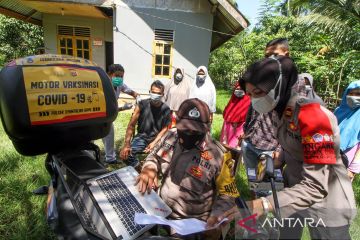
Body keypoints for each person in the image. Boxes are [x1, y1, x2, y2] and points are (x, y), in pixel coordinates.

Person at [210, 57, 356, 239]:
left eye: (258, 92)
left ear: (279, 86)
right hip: (292, 193)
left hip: (326, 200)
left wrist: (263, 204)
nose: (254, 100)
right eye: (250, 95)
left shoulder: (314, 118)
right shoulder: (279, 110)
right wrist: (275, 163)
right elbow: (290, 147)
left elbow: (317, 186)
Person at [136, 98, 239, 239]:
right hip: (160, 209)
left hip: (191, 224)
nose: (189, 133)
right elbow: (154, 157)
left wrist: (217, 218)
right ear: (176, 121)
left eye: (195, 130)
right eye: (185, 128)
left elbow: (229, 194)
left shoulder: (219, 156)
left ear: (207, 126)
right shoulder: (170, 137)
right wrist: (149, 168)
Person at [119, 80, 171, 168]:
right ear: (149, 92)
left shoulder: (166, 109)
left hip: (157, 139)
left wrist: (155, 142)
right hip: (142, 137)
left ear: (162, 94)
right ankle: (139, 168)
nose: (156, 95)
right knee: (125, 155)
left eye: (158, 93)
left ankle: (152, 169)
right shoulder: (142, 104)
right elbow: (131, 125)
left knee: (165, 157)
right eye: (153, 92)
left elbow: (165, 129)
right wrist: (127, 144)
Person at [102, 64, 140, 164]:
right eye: (117, 75)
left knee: (108, 135)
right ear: (109, 74)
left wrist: (137, 96)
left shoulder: (119, 85)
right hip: (101, 113)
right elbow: (110, 109)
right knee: (101, 134)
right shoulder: (104, 87)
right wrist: (123, 108)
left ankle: (110, 157)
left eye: (121, 76)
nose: (119, 78)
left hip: (109, 115)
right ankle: (104, 157)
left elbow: (130, 91)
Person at [334, 80, 360, 182]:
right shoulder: (338, 111)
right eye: (351, 93)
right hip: (327, 155)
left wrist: (352, 170)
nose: (353, 96)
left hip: (347, 161)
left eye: (358, 94)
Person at [220, 82, 250, 150]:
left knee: (234, 147)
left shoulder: (248, 102)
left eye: (241, 89)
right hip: (228, 126)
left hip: (239, 128)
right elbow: (226, 112)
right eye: (237, 88)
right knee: (224, 145)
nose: (238, 90)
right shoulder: (233, 100)